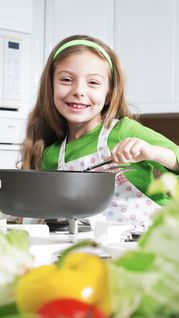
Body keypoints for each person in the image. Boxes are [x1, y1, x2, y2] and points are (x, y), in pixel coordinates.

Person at [20, 34, 179, 230]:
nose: (78, 90)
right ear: (50, 86)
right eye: (67, 79)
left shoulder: (124, 131)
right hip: (92, 251)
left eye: (93, 82)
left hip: (150, 244)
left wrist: (152, 152)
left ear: (108, 94)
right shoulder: (50, 155)